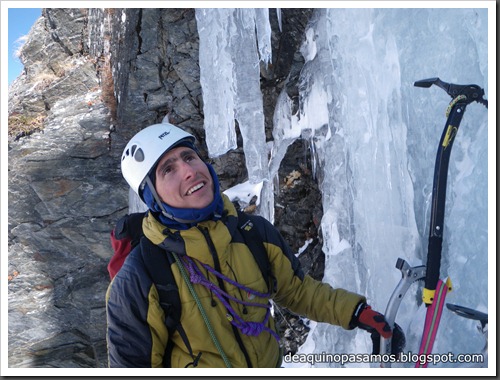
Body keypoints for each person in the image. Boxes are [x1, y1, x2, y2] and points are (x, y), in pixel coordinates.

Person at [106, 118, 404, 368]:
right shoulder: (140, 277)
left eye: (189, 157)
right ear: (152, 197)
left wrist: (355, 312)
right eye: (167, 170)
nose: (188, 170)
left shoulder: (252, 234)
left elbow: (297, 291)